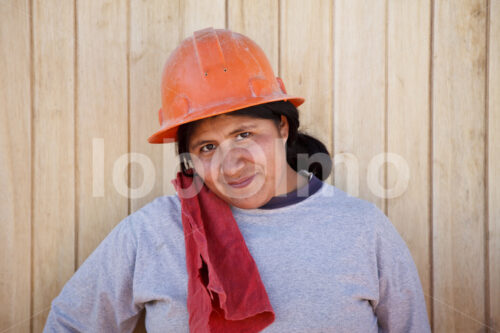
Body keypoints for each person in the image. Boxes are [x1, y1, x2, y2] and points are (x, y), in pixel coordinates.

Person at [44, 27, 431, 333]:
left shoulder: (363, 229)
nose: (231, 166)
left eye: (244, 134)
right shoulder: (151, 234)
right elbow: (70, 323)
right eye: (207, 147)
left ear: (282, 126)